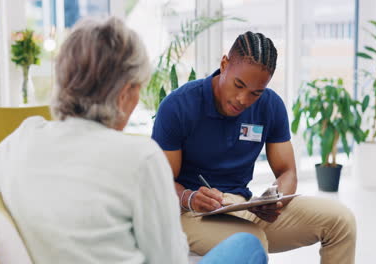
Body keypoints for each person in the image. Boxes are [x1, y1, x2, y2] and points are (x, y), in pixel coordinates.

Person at [0, 18, 267, 264]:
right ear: (124, 93)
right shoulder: (141, 157)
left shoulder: (25, 138)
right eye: (137, 88)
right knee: (247, 245)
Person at [152, 31, 357, 264]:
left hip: (242, 206)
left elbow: (287, 172)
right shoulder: (179, 105)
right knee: (252, 241)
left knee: (341, 221)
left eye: (255, 93)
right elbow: (161, 181)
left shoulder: (270, 106)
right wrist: (190, 198)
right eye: (238, 85)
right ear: (224, 64)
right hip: (189, 214)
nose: (242, 99)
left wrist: (275, 200)